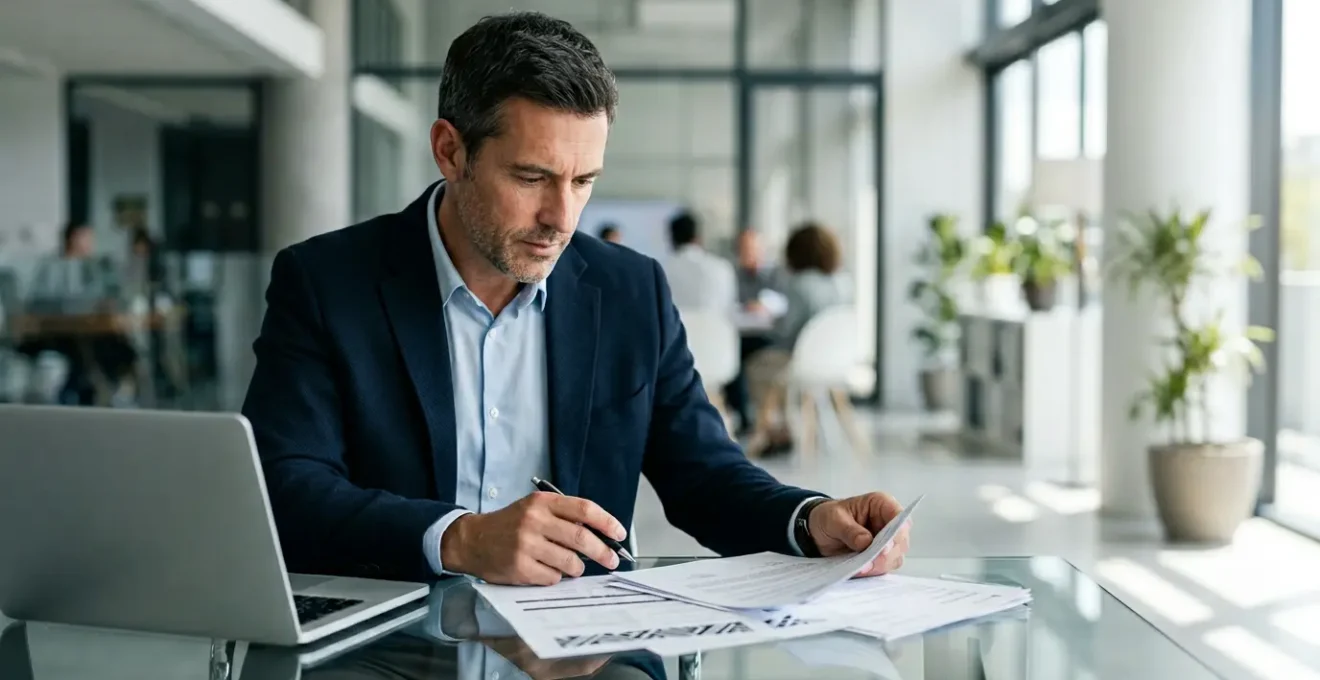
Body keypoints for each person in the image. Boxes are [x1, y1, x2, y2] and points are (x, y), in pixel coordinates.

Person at [242, 11, 909, 587]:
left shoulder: (630, 291)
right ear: (451, 151)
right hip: (393, 641)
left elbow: (704, 475)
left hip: (584, 651)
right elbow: (285, 489)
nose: (562, 217)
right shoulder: (328, 282)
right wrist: (460, 539)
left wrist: (810, 519)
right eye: (531, 178)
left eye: (584, 180)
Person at [745, 222, 852, 457]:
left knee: (758, 365)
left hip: (801, 363)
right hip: (834, 363)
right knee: (778, 367)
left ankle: (777, 429)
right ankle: (784, 427)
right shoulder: (841, 284)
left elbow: (785, 333)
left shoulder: (798, 284)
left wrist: (771, 321)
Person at [662, 211, 736, 313]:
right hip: (716, 328)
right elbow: (729, 309)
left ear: (672, 239)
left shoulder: (663, 270)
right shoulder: (721, 267)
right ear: (698, 238)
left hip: (677, 328)